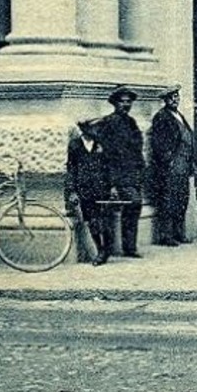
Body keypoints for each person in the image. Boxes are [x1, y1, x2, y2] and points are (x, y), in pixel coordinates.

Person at [97, 86, 146, 257]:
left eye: (128, 102)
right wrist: (112, 183)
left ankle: (129, 247)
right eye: (122, 101)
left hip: (133, 173)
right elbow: (107, 155)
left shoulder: (131, 122)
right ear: (115, 103)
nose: (126, 105)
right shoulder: (109, 122)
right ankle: (108, 250)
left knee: (133, 208)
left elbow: (137, 147)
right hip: (117, 175)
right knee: (131, 203)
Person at [149, 86, 196, 246]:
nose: (175, 99)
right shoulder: (161, 117)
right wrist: (169, 161)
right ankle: (166, 236)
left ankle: (179, 233)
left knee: (182, 199)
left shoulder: (179, 115)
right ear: (165, 100)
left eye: (176, 96)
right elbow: (158, 144)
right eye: (171, 97)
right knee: (168, 200)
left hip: (184, 164)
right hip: (171, 165)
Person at [65, 118, 112, 265]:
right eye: (94, 128)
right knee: (92, 221)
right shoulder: (75, 145)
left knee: (104, 220)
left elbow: (111, 167)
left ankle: (106, 250)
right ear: (85, 129)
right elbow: (71, 169)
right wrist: (72, 191)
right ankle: (100, 250)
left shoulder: (103, 144)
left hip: (102, 189)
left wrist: (113, 187)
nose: (98, 130)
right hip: (85, 190)